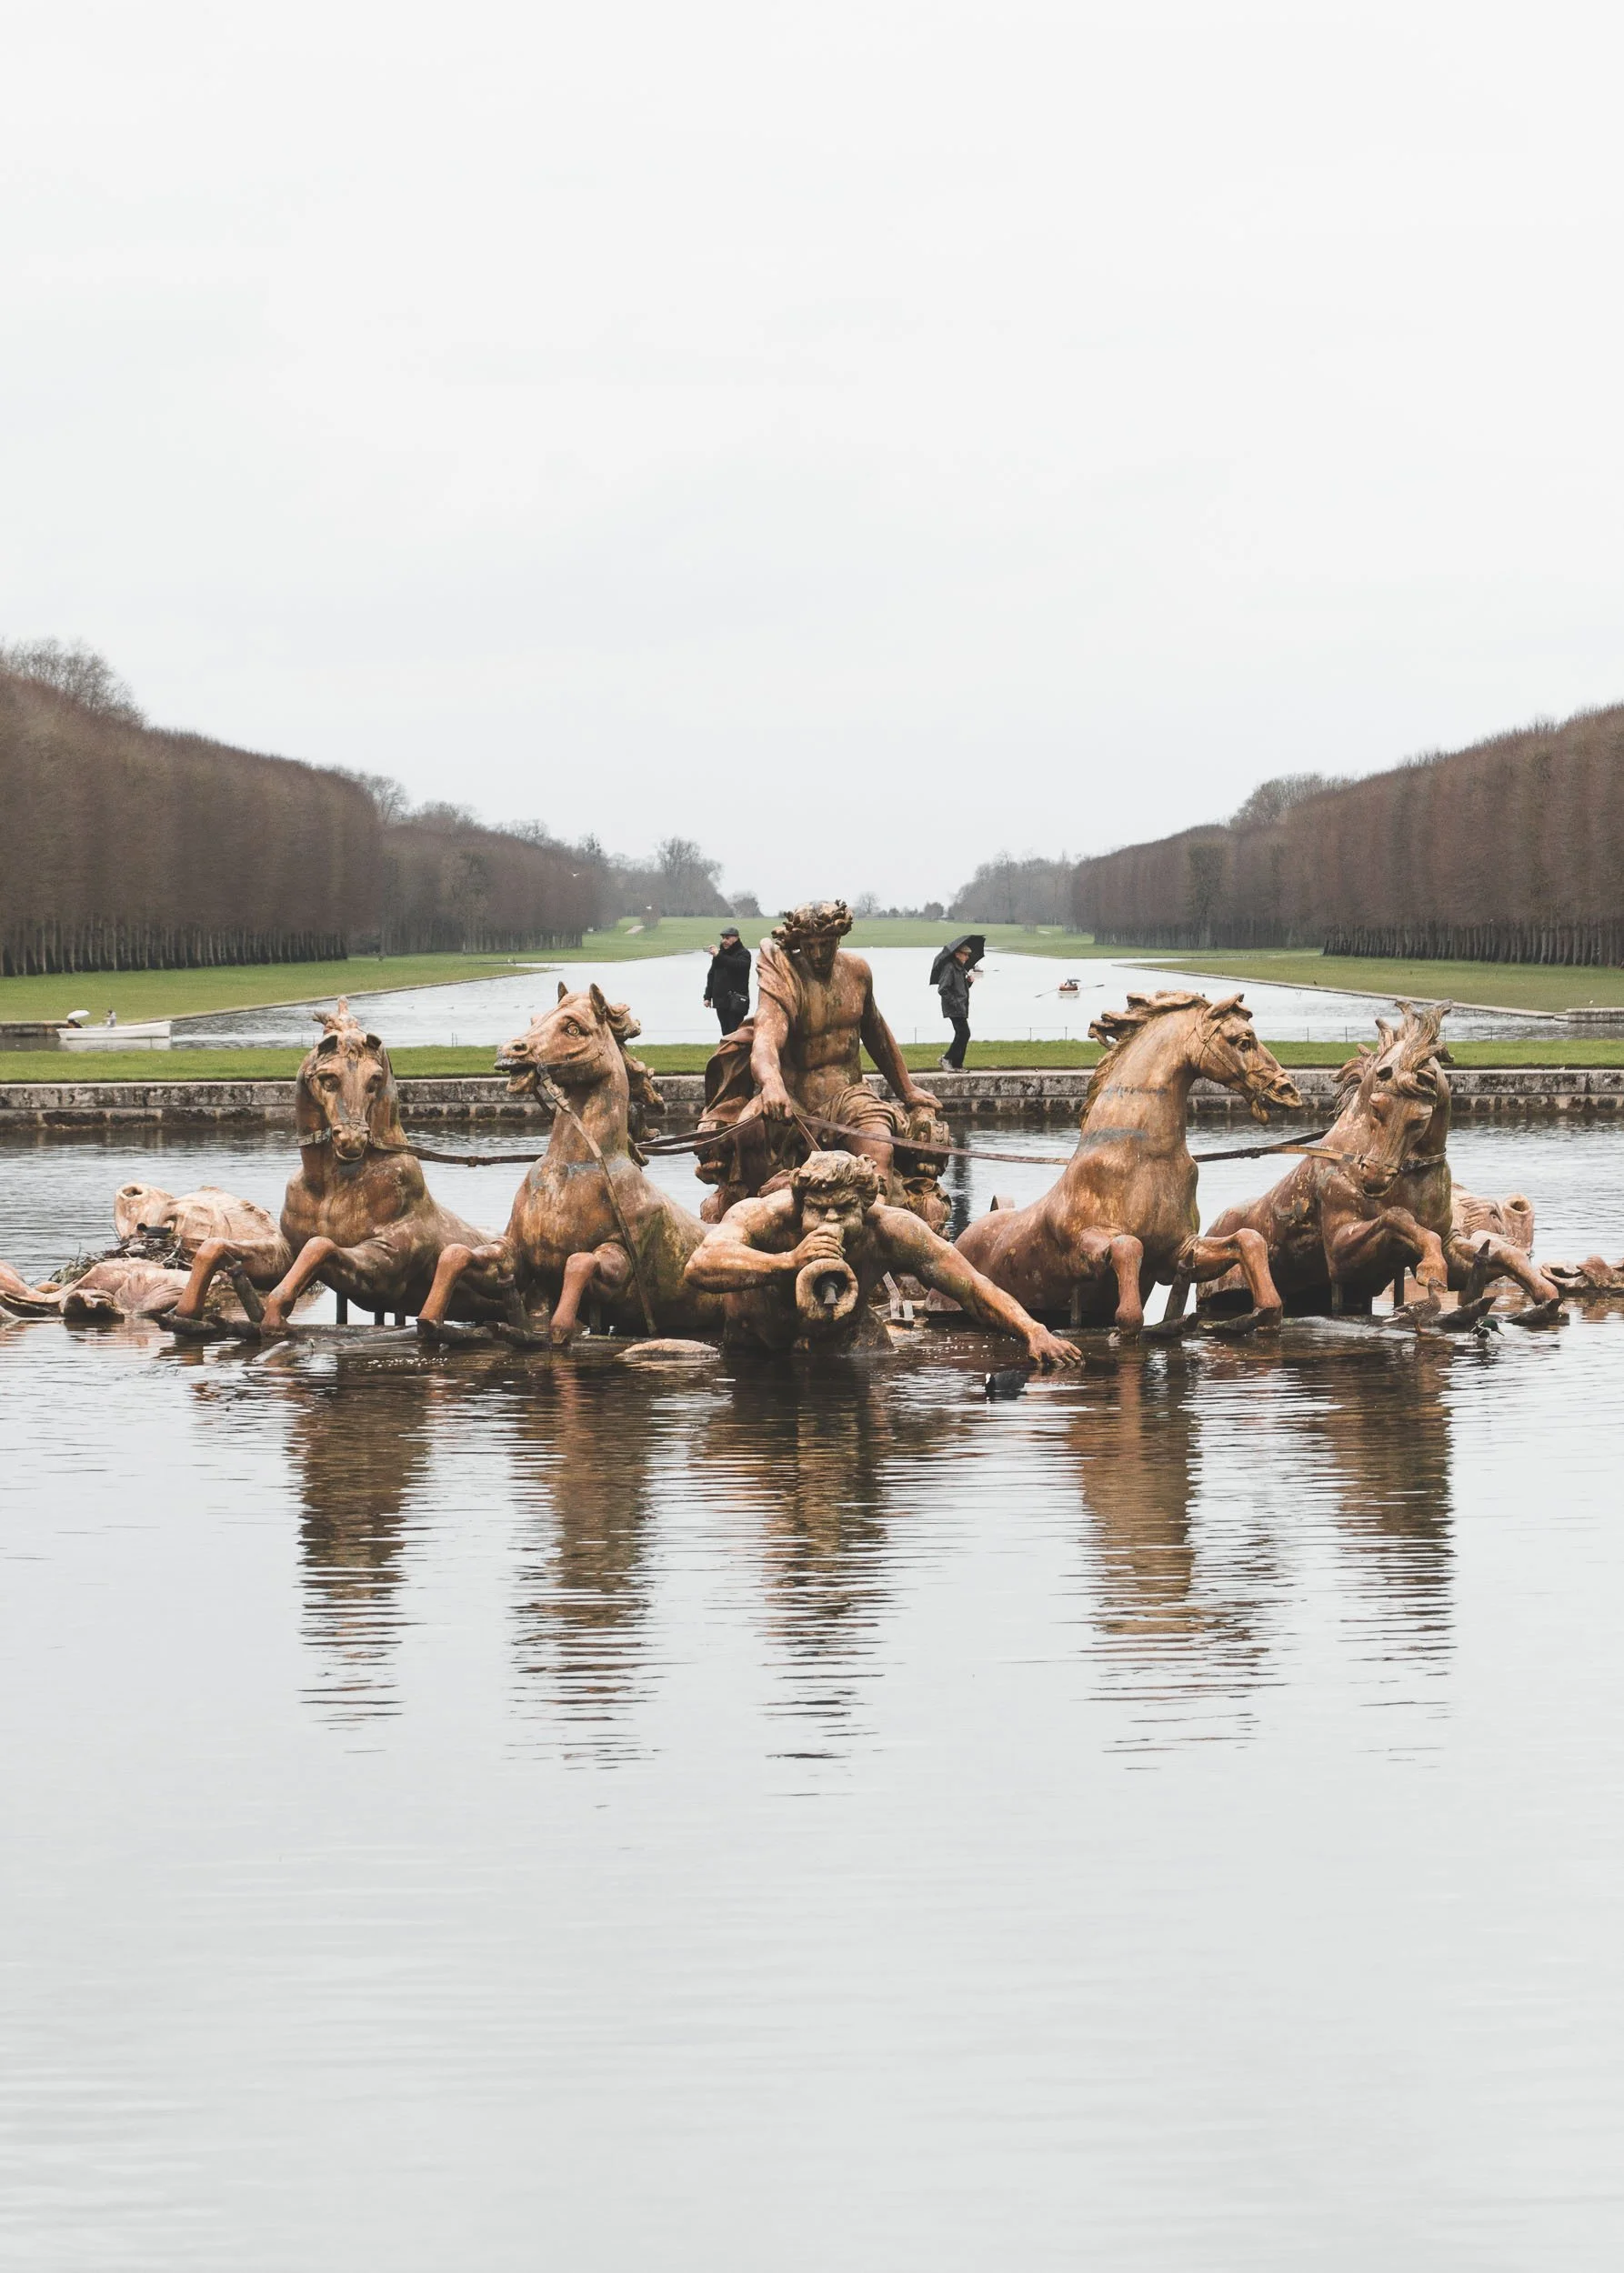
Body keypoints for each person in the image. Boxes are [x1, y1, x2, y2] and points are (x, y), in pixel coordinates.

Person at [684, 1148, 1082, 1365]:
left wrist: (1033, 1330)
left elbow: (973, 1286)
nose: (830, 1221)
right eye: (819, 1210)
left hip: (844, 1344)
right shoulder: (766, 1215)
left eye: (844, 1210)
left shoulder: (892, 1230)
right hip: (757, 1345)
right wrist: (787, 1261)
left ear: (866, 1206)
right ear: (800, 1204)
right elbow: (700, 1264)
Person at [703, 926, 752, 1036]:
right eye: (723, 938)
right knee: (725, 1032)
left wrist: (718, 956)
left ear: (736, 938)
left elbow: (738, 965)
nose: (724, 940)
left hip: (737, 1000)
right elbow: (712, 976)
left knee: (735, 1032)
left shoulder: (744, 953)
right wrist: (707, 996)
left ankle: (738, 1052)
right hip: (720, 1000)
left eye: (727, 938)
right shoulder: (720, 955)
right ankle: (728, 1053)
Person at [937, 944, 975, 1069]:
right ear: (957, 954)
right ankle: (947, 1059)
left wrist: (969, 983)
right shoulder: (950, 968)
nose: (967, 957)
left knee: (962, 1034)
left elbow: (960, 989)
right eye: (965, 954)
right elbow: (943, 989)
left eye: (968, 954)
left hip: (961, 1007)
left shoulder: (960, 969)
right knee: (964, 1033)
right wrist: (955, 1002)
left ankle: (957, 1065)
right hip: (955, 1008)